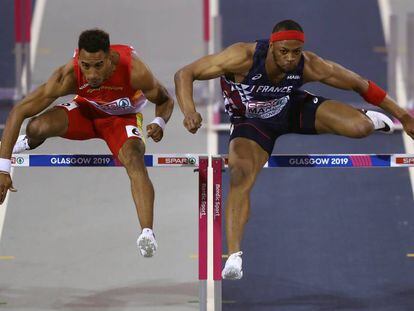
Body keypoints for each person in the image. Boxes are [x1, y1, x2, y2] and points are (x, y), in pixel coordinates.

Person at [174, 19, 414, 279]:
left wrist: (403, 115)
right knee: (241, 173)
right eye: (283, 52)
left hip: (290, 109)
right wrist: (189, 111)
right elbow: (185, 74)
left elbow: (360, 84)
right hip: (251, 123)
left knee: (360, 128)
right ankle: (234, 256)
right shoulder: (242, 57)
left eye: (296, 52)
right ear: (272, 46)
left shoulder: (308, 65)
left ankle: (369, 119)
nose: (290, 59)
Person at [0, 29, 174, 258]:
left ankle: (147, 233)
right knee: (36, 127)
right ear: (78, 60)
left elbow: (165, 99)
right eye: (85, 65)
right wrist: (4, 168)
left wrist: (159, 121)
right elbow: (19, 111)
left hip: (121, 121)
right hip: (86, 112)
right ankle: (29, 142)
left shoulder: (135, 70)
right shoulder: (70, 75)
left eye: (98, 65)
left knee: (134, 158)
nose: (91, 74)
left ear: (110, 58)